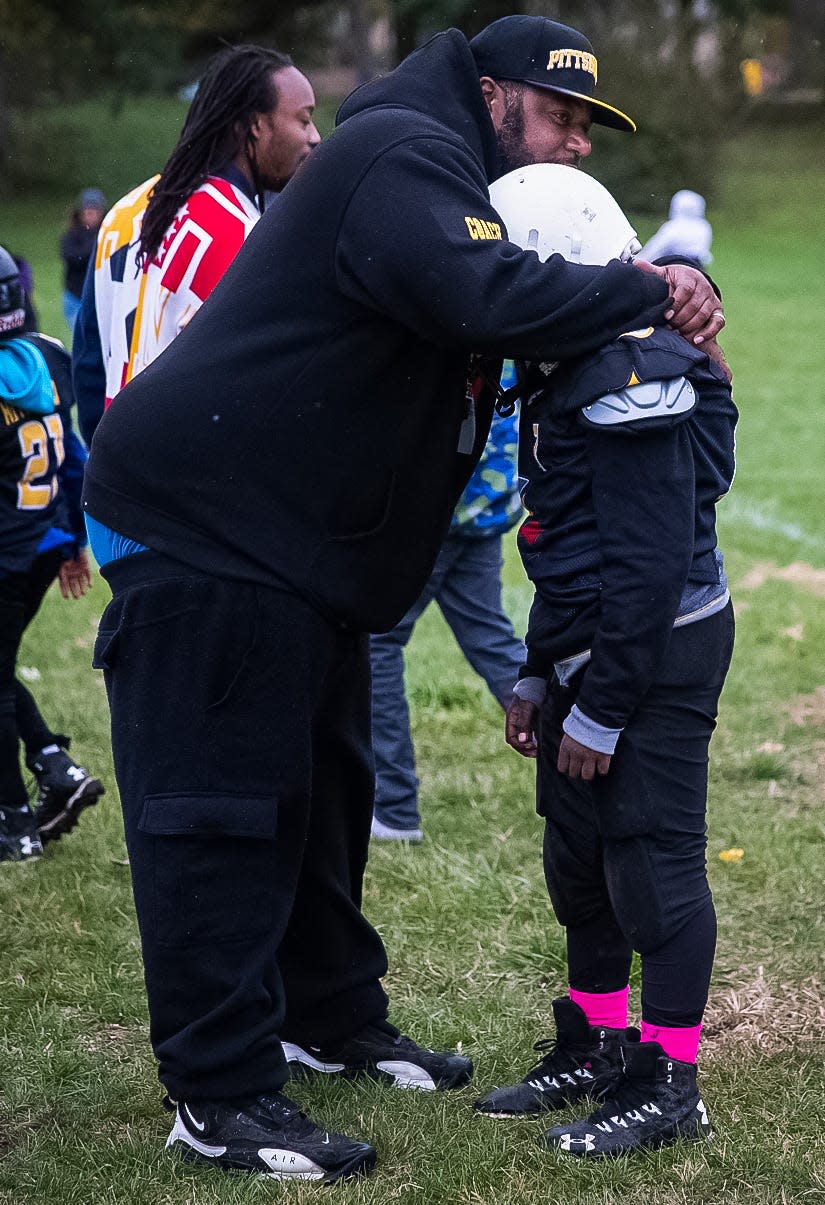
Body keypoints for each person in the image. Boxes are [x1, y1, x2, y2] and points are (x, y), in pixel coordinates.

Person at [81, 14, 726, 1183]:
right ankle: (220, 1088)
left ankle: (328, 1016)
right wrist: (650, 285)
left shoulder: (440, 165)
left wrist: (660, 297)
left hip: (298, 553)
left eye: (588, 126)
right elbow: (483, 292)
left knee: (328, 790)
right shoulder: (402, 154)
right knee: (221, 814)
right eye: (560, 116)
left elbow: (510, 293)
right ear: (493, 96)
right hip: (207, 532)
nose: (575, 145)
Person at [472, 163, 735, 1159]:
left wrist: (604, 706)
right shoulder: (570, 356)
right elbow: (569, 548)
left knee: (649, 864)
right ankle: (600, 1040)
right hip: (595, 643)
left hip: (656, 648)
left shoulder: (635, 364)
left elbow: (648, 565)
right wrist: (542, 669)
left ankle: (671, 1083)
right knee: (578, 862)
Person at [71, 44, 320, 447]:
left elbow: (89, 363)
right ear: (256, 124)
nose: (314, 137)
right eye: (304, 120)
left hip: (112, 481)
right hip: (183, 492)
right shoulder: (247, 236)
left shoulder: (122, 213)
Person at [370, 401, 524, 842]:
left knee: (376, 642)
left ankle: (394, 808)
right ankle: (585, 777)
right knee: (493, 640)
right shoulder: (515, 333)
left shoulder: (461, 331)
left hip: (431, 512)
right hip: (487, 502)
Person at [0, 245, 104, 862]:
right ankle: (55, 768)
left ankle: (15, 821)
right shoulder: (47, 354)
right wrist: (74, 542)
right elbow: (72, 457)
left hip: (9, 554)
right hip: (45, 542)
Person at [59, 189, 107, 331]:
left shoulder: (107, 233)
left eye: (94, 210)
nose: (90, 214)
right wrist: (94, 243)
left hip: (99, 294)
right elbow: (72, 257)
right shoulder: (72, 234)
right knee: (80, 336)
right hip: (75, 295)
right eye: (87, 210)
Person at [640, 189, 713, 270]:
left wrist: (639, 260)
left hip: (676, 268)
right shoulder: (704, 227)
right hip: (699, 268)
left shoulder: (673, 227)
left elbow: (656, 248)